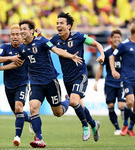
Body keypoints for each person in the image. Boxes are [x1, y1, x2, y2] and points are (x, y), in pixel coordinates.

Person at [0, 19, 82, 148]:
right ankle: (40, 139)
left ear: (31, 31)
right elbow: (17, 63)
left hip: (50, 81)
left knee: (57, 112)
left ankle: (68, 101)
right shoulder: (22, 48)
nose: (21, 32)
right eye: (20, 30)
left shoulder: (42, 41)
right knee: (33, 108)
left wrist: (71, 56)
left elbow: (56, 49)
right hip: (35, 83)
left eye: (24, 29)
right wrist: (1, 68)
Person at [50, 12, 105, 142]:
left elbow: (97, 44)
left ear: (68, 26)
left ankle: (85, 126)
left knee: (73, 101)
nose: (58, 25)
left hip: (80, 75)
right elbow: (43, 45)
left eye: (61, 23)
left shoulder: (78, 36)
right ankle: (93, 124)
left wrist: (102, 55)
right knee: (79, 105)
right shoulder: (55, 40)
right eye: (57, 23)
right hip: (67, 78)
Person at [0, 24, 31, 147]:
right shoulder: (5, 47)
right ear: (10, 36)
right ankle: (30, 119)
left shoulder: (24, 48)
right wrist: (10, 57)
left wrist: (1, 67)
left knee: (19, 108)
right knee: (17, 112)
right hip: (8, 85)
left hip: (23, 83)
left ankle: (17, 137)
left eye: (17, 34)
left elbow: (17, 63)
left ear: (21, 35)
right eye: (13, 34)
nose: (15, 37)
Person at [94, 29, 126, 135]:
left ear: (121, 39)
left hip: (122, 83)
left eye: (119, 37)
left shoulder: (124, 51)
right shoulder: (106, 52)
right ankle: (117, 128)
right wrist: (96, 81)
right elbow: (100, 68)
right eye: (115, 37)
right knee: (111, 106)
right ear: (111, 39)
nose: (117, 39)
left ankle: (123, 113)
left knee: (121, 106)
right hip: (110, 84)